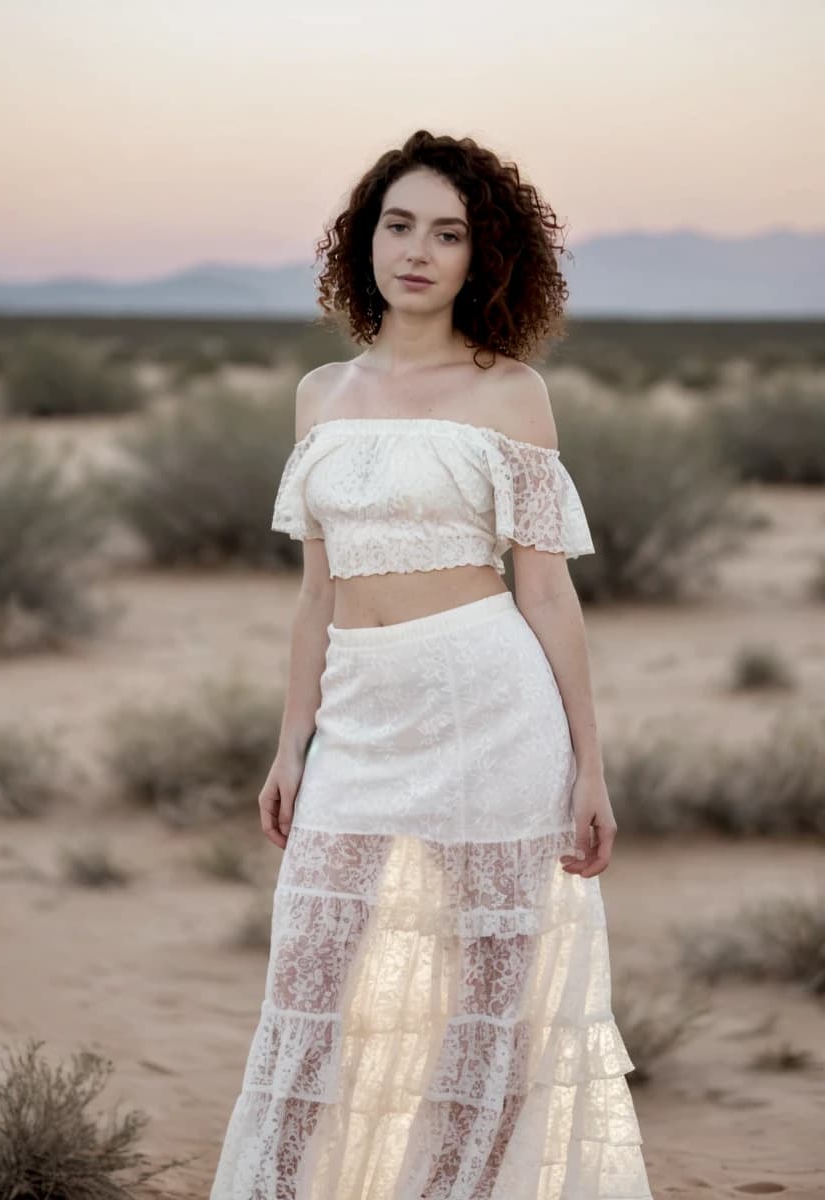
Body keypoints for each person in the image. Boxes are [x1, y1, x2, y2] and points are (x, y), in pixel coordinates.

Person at [210, 129, 653, 1199]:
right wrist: (289, 746)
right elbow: (317, 591)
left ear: (479, 256)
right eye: (397, 224)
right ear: (364, 240)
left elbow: (544, 590)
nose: (417, 251)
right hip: (357, 719)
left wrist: (588, 768)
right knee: (307, 991)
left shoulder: (510, 393)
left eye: (446, 233)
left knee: (486, 1010)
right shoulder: (321, 394)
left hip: (490, 711)